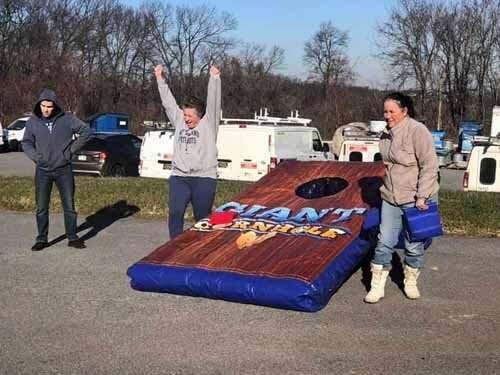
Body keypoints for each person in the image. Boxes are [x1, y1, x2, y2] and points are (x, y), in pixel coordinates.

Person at [364, 92, 439, 303]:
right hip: (391, 197)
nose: (387, 115)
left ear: (404, 111)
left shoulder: (417, 131)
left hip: (417, 196)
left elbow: (430, 166)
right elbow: (388, 167)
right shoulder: (385, 135)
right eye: (385, 111)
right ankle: (376, 286)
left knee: (413, 243)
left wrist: (422, 197)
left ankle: (411, 282)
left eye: (392, 111)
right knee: (384, 240)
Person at [154, 64, 221, 239]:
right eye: (185, 115)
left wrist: (214, 79)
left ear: (199, 115)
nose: (186, 119)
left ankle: (200, 251)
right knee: (175, 214)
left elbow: (214, 103)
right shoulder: (179, 121)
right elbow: (168, 102)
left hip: (204, 177)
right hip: (179, 177)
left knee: (202, 219)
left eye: (190, 116)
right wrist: (159, 78)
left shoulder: (209, 124)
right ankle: (174, 249)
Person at [22, 89, 93, 251]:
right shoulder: (32, 122)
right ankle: (41, 238)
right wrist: (36, 157)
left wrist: (70, 151)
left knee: (69, 206)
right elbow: (26, 142)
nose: (46, 109)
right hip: (43, 170)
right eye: (43, 105)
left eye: (49, 106)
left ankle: (73, 237)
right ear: (39, 105)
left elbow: (86, 131)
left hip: (64, 170)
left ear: (54, 106)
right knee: (41, 207)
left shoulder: (67, 119)